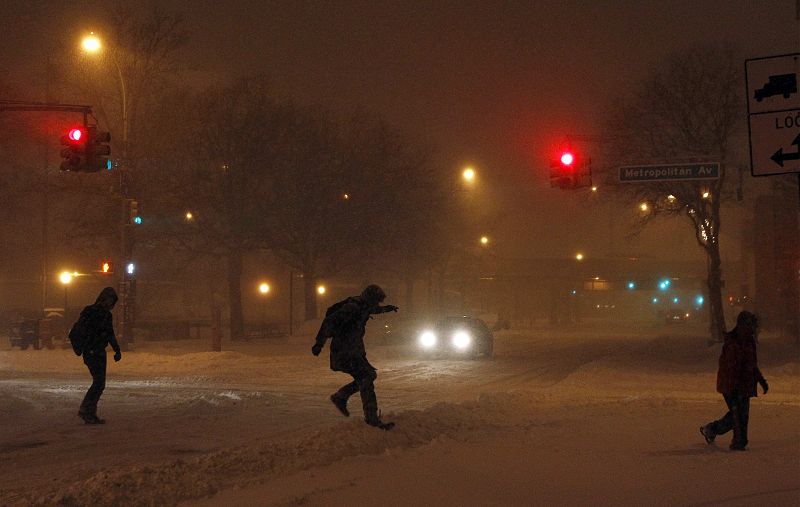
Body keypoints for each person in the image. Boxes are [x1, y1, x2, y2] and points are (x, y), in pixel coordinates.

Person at [312, 284, 398, 430]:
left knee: (367, 376)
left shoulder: (364, 305)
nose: (376, 304)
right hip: (344, 351)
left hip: (353, 350)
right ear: (369, 298)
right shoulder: (352, 307)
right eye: (376, 301)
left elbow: (373, 310)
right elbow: (329, 322)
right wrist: (319, 344)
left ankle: (341, 397)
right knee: (367, 377)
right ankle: (370, 418)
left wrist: (386, 309)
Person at [700, 311, 768, 450]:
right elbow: (730, 368)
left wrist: (761, 380)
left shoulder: (748, 341)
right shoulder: (734, 343)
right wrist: (734, 388)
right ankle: (738, 441)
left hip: (744, 385)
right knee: (738, 416)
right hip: (732, 386)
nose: (755, 329)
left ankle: (712, 430)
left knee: (740, 415)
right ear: (744, 326)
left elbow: (751, 364)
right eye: (752, 326)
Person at [76, 287, 122, 424]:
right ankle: (86, 410)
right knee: (99, 382)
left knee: (99, 383)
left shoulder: (90, 311)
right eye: (110, 300)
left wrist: (116, 349)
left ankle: (89, 411)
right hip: (94, 351)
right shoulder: (101, 314)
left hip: (92, 350)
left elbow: (108, 333)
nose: (111, 304)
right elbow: (109, 334)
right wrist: (116, 349)